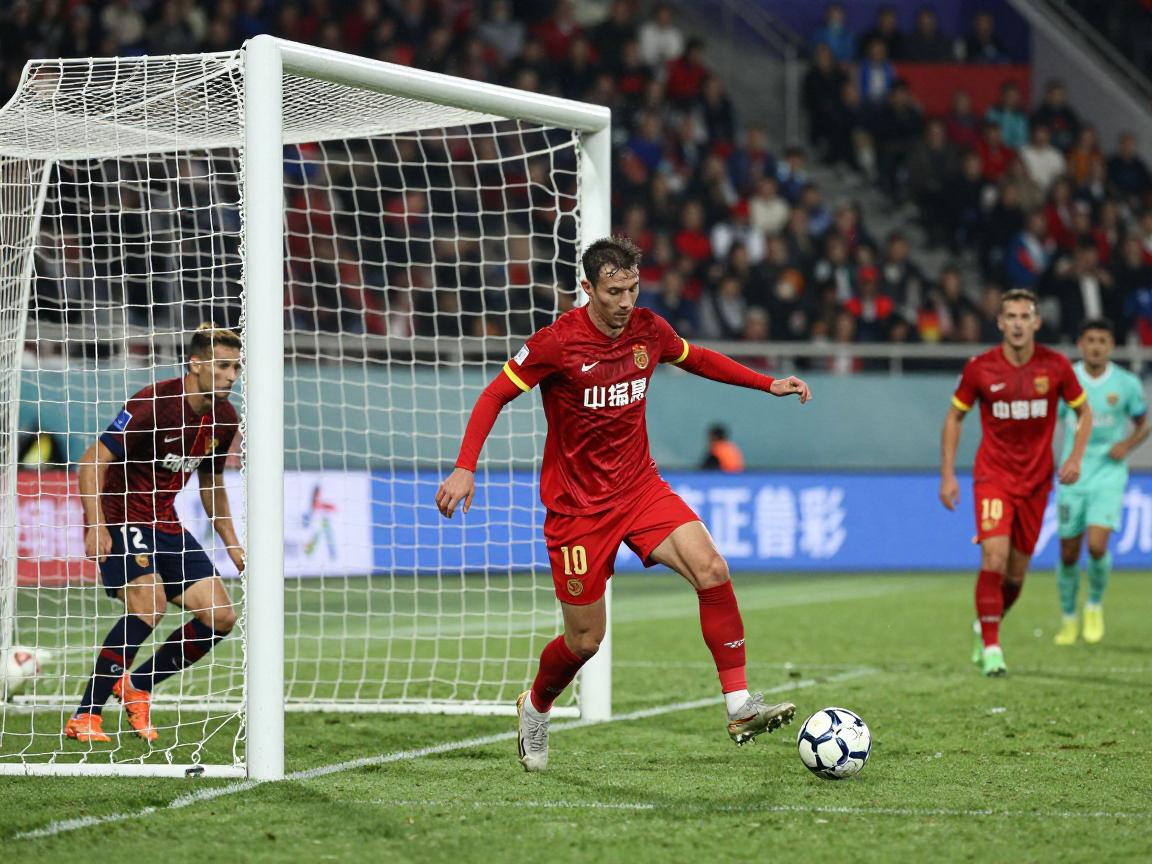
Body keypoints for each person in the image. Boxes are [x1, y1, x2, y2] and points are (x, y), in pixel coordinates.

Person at [436, 236, 811, 771]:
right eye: (615, 291)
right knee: (585, 641)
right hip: (577, 510)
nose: (626, 301)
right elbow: (495, 394)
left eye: (633, 288)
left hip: (639, 488)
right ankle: (536, 705)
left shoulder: (648, 329)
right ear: (588, 288)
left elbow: (697, 358)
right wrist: (465, 466)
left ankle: (739, 704)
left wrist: (766, 383)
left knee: (712, 568)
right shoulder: (555, 343)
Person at [66, 323, 243, 743]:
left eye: (236, 367)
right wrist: (96, 523)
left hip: (165, 522)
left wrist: (233, 543)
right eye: (222, 366)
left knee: (220, 617)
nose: (231, 376)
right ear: (196, 365)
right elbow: (92, 461)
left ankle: (137, 685)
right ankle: (85, 715)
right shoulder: (154, 402)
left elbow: (211, 484)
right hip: (122, 516)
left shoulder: (224, 418)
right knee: (150, 605)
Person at [939, 289, 1091, 677]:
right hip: (993, 476)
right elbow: (955, 417)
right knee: (994, 557)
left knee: (1016, 576)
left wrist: (1075, 456)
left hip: (1037, 482)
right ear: (1000, 323)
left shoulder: (1056, 366)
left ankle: (985, 625)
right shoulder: (980, 368)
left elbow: (1084, 413)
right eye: (1011, 316)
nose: (1018, 324)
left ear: (1036, 322)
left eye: (1025, 316)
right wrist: (948, 473)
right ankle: (992, 647)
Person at [1054, 319, 1148, 645]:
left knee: (1096, 545)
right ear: (1081, 344)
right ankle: (1068, 617)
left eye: (1102, 341)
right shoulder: (1065, 379)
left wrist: (1127, 444)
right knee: (1069, 551)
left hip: (1109, 472)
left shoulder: (1126, 383)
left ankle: (1093, 605)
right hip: (1073, 472)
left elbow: (1143, 422)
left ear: (1111, 346)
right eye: (1090, 340)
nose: (1096, 347)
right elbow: (1049, 420)